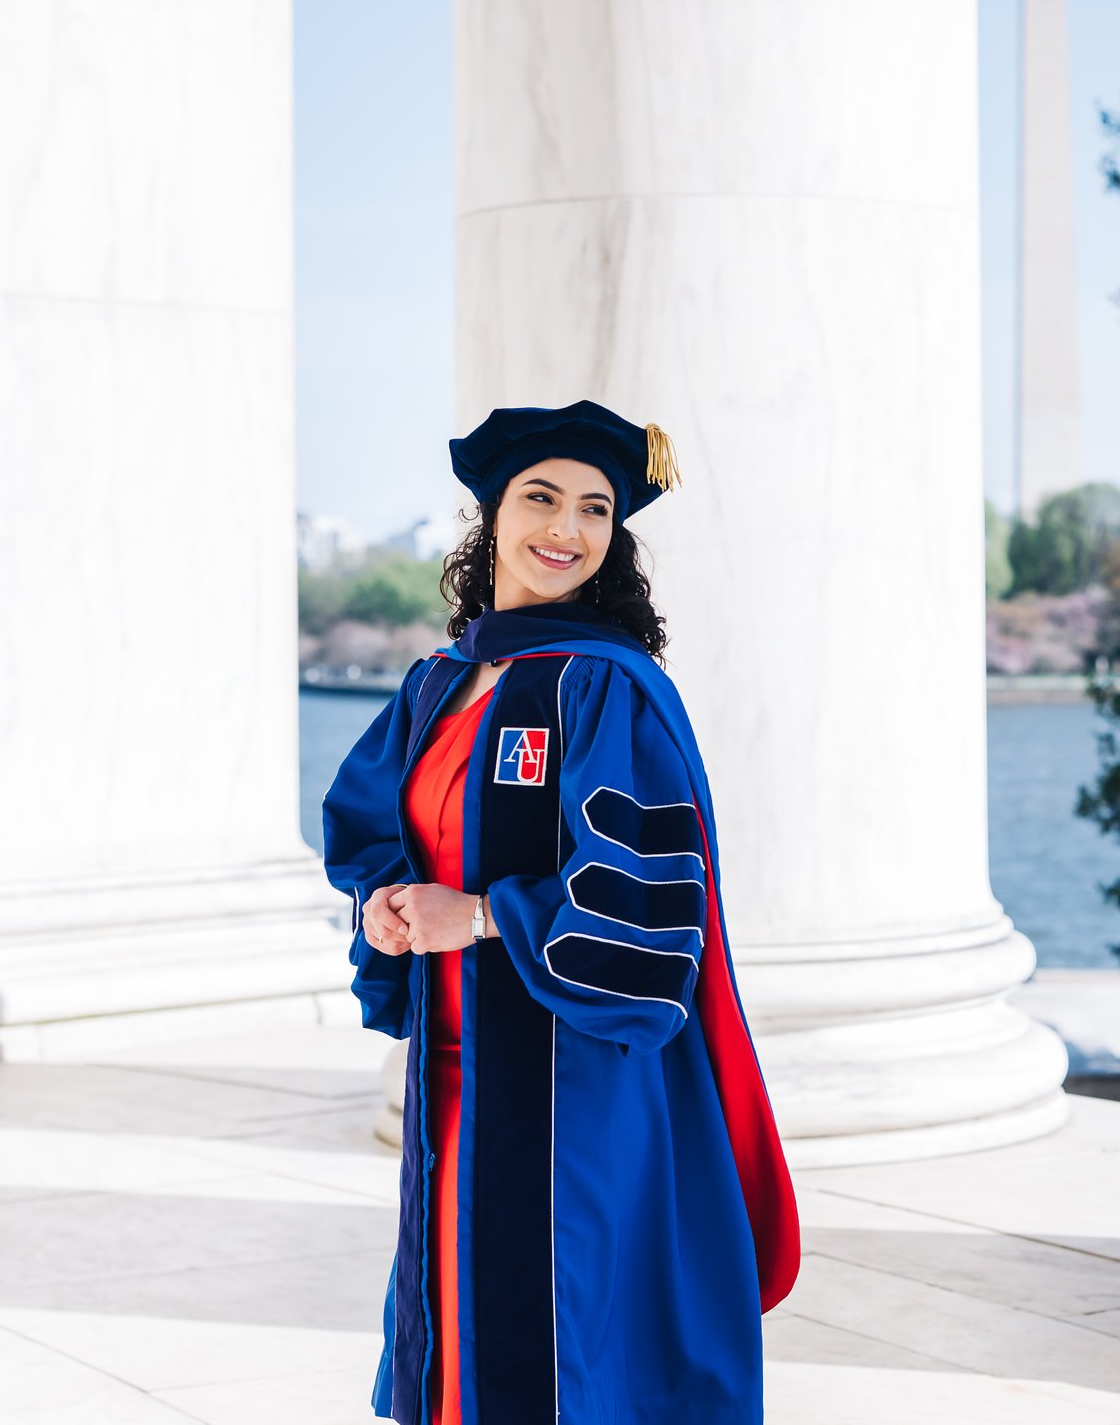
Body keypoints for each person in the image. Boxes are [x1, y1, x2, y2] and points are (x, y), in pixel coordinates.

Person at [322, 400, 797, 1425]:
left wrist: (484, 915)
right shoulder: (440, 682)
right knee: (461, 1304)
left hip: (573, 1076)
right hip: (457, 1066)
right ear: (490, 515)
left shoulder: (605, 686)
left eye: (593, 509)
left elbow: (645, 896)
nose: (565, 528)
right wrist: (386, 909)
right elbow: (371, 828)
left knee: (569, 1327)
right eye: (541, 497)